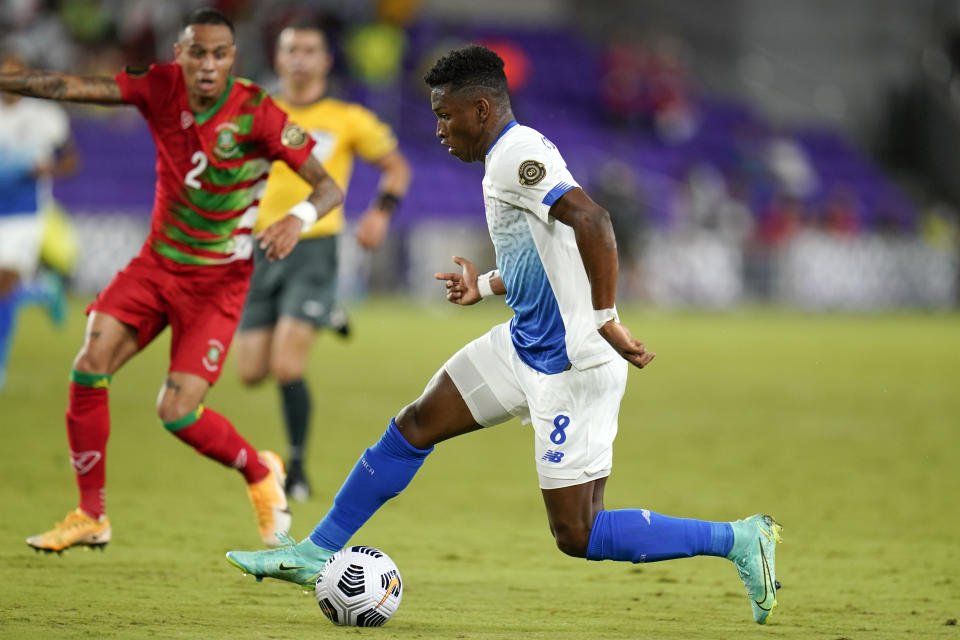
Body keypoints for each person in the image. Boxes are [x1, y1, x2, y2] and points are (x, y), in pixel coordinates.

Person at [225, 45, 782, 625]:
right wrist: (486, 286)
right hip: (522, 345)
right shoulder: (502, 159)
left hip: (572, 366)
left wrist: (606, 316)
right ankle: (314, 553)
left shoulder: (518, 155)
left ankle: (739, 539)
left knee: (578, 531)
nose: (439, 129)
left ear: (483, 109)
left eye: (446, 115)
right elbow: (542, 252)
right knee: (415, 424)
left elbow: (592, 220)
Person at [0, 8, 344, 553]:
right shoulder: (159, 86)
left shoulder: (259, 111)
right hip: (156, 265)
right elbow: (72, 86)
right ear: (178, 53)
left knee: (176, 412)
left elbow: (327, 188)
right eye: (197, 52)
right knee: (89, 365)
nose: (207, 65)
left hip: (217, 283)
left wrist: (295, 220)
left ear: (233, 58)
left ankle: (259, 469)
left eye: (219, 54)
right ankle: (92, 515)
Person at [234, 21, 411, 502]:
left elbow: (397, 168)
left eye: (310, 50)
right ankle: (327, 312)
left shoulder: (347, 117)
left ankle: (297, 470)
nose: (300, 59)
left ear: (325, 61)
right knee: (251, 372)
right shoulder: (259, 113)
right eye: (291, 49)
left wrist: (379, 213)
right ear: (278, 58)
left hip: (314, 246)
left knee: (288, 367)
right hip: (259, 246)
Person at [0, 52, 77, 391]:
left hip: (26, 214)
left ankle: (0, 365)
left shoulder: (45, 115)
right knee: (7, 290)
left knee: (3, 288)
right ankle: (44, 291)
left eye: (15, 74)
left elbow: (73, 159)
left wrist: (51, 170)